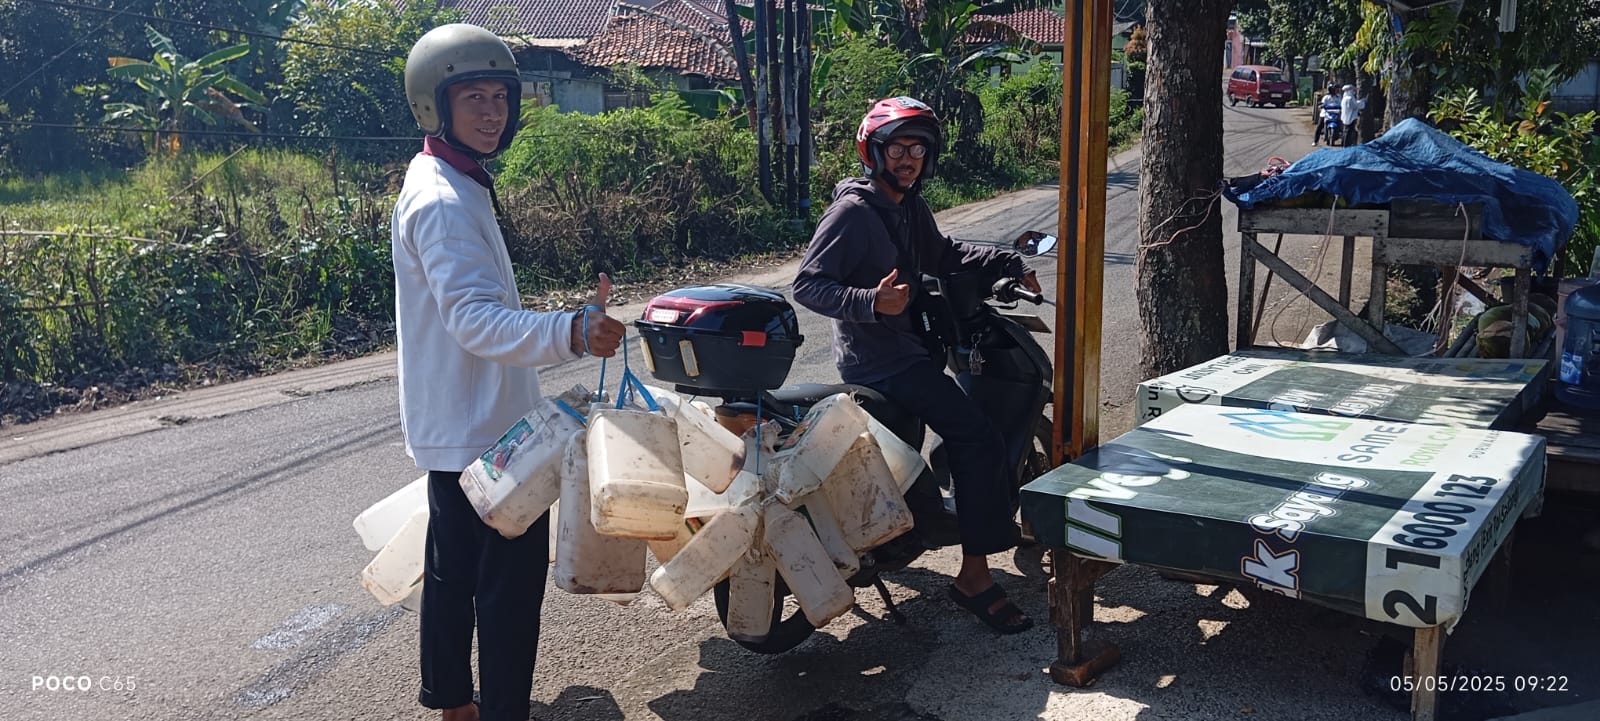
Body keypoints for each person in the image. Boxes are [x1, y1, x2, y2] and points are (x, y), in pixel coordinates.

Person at [391, 23, 625, 721]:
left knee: (452, 571)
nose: (492, 113)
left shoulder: (446, 177)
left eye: (500, 97)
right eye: (475, 99)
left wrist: (565, 324)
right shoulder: (441, 200)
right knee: (509, 589)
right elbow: (475, 321)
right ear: (438, 106)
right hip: (483, 432)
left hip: (459, 424)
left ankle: (453, 701)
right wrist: (574, 329)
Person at [792, 96, 1040, 635]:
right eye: (898, 147)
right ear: (873, 152)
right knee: (977, 438)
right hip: (881, 361)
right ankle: (973, 578)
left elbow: (942, 256)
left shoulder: (906, 206)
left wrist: (1007, 261)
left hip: (911, 350)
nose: (908, 158)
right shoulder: (853, 212)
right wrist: (869, 303)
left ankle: (923, 530)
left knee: (927, 446)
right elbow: (807, 284)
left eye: (918, 149)